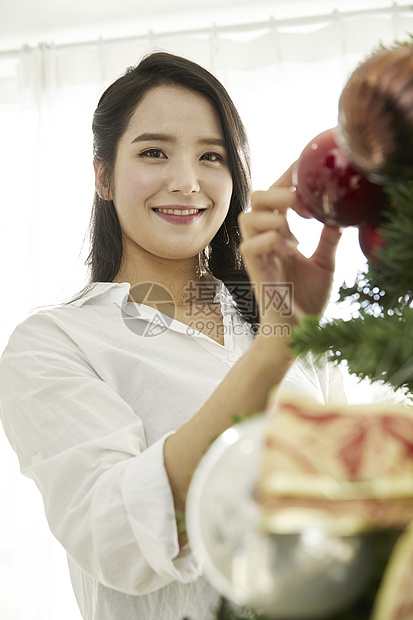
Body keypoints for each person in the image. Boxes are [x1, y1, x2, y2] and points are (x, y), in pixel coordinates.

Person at [0, 51, 343, 620]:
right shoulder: (56, 343)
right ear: (104, 175)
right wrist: (275, 349)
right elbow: (118, 538)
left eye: (211, 156)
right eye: (153, 152)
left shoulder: (279, 317)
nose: (186, 182)